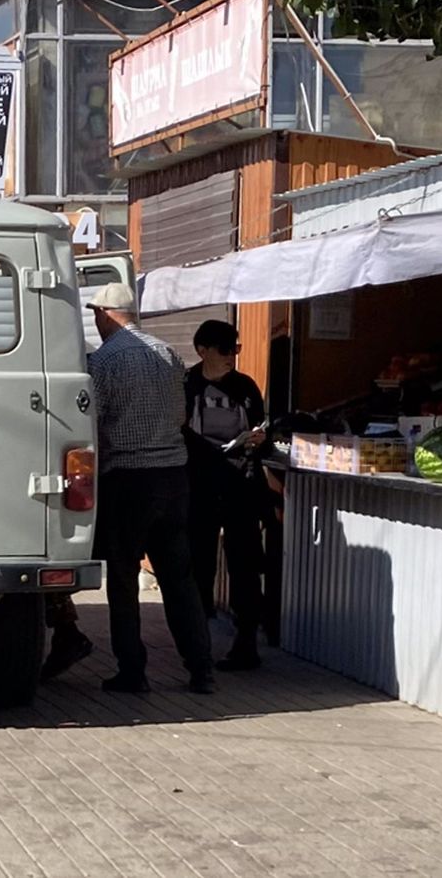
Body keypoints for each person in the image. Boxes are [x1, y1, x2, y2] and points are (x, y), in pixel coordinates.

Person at [83, 282, 215, 695]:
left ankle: (132, 671)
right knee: (179, 578)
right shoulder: (168, 353)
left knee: (123, 580)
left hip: (127, 479)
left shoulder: (102, 361)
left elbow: (93, 423)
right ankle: (201, 669)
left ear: (105, 314)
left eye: (95, 314)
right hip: (174, 477)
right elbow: (180, 415)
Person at [183, 320, 268, 671]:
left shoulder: (245, 386)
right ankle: (197, 649)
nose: (231, 355)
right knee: (197, 564)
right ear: (202, 350)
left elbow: (260, 425)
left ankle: (246, 642)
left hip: (241, 485)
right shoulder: (186, 385)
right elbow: (177, 431)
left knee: (245, 564)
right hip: (200, 486)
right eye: (224, 349)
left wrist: (259, 438)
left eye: (236, 348)